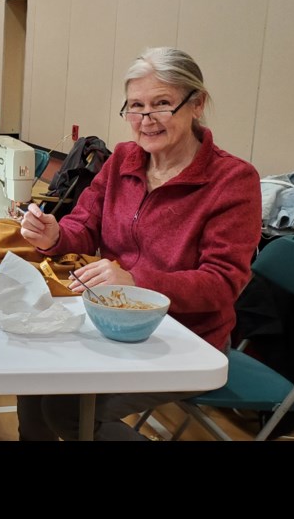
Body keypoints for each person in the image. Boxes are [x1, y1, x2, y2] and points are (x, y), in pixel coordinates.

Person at [17, 47, 262, 441]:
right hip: (110, 318)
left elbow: (221, 284)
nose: (145, 121)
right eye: (135, 107)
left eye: (161, 104)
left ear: (196, 104)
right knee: (33, 376)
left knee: (67, 409)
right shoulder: (125, 159)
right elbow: (85, 223)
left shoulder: (231, 180)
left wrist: (134, 280)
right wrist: (56, 234)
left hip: (185, 336)